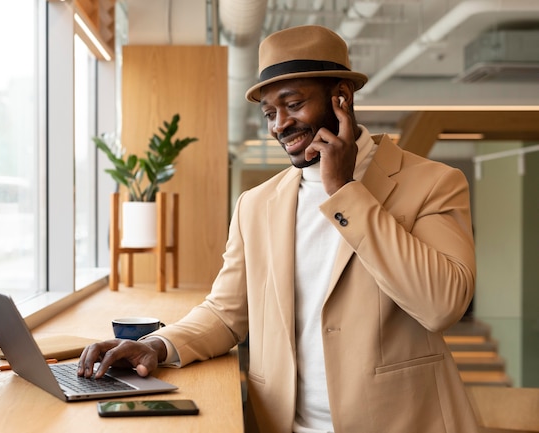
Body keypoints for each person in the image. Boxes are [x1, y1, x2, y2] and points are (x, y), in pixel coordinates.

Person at [78, 25, 479, 433]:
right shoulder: (255, 205)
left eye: (293, 104)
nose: (280, 125)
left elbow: (442, 304)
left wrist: (345, 192)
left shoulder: (433, 183)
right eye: (270, 113)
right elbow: (226, 313)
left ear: (342, 96)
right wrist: (155, 347)